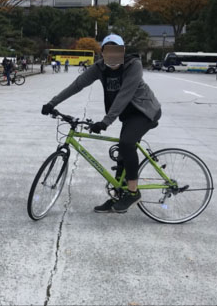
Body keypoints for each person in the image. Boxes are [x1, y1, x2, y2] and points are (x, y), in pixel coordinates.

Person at [42, 34, 162, 213]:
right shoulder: (99, 68)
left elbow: (124, 96)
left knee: (127, 144)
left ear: (123, 52)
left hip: (145, 111)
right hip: (127, 115)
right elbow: (77, 85)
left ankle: (132, 192)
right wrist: (53, 102)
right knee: (122, 154)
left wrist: (105, 122)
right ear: (102, 53)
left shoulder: (133, 65)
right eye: (108, 51)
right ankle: (117, 198)